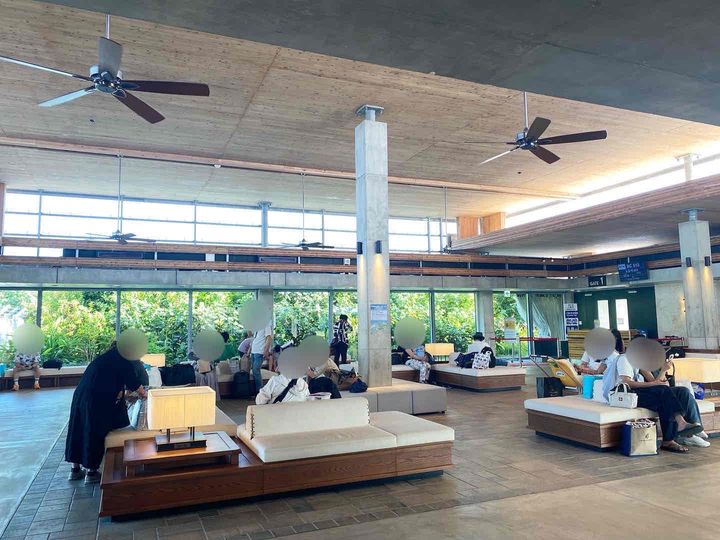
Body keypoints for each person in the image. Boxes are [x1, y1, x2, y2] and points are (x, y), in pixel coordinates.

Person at [602, 336, 702, 453]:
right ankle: (675, 431)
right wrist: (654, 384)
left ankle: (691, 430)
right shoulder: (625, 359)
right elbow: (627, 382)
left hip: (633, 393)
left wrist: (664, 370)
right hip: (622, 395)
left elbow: (655, 381)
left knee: (682, 391)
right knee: (664, 393)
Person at [65, 344, 146, 484]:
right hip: (97, 399)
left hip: (81, 395)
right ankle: (91, 472)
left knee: (77, 429)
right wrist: (145, 394)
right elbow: (134, 383)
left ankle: (75, 470)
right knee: (94, 431)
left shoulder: (106, 358)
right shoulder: (123, 360)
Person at [640, 361, 710, 448]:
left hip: (661, 390)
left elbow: (664, 383)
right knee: (670, 395)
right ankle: (690, 433)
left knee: (684, 391)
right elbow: (656, 384)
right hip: (652, 393)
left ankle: (694, 426)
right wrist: (663, 370)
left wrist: (663, 370)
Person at [250, 322, 273, 395]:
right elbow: (253, 337)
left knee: (256, 370)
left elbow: (269, 338)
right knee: (254, 371)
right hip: (254, 351)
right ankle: (256, 391)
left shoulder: (266, 324)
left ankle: (260, 392)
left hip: (260, 351)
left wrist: (266, 350)